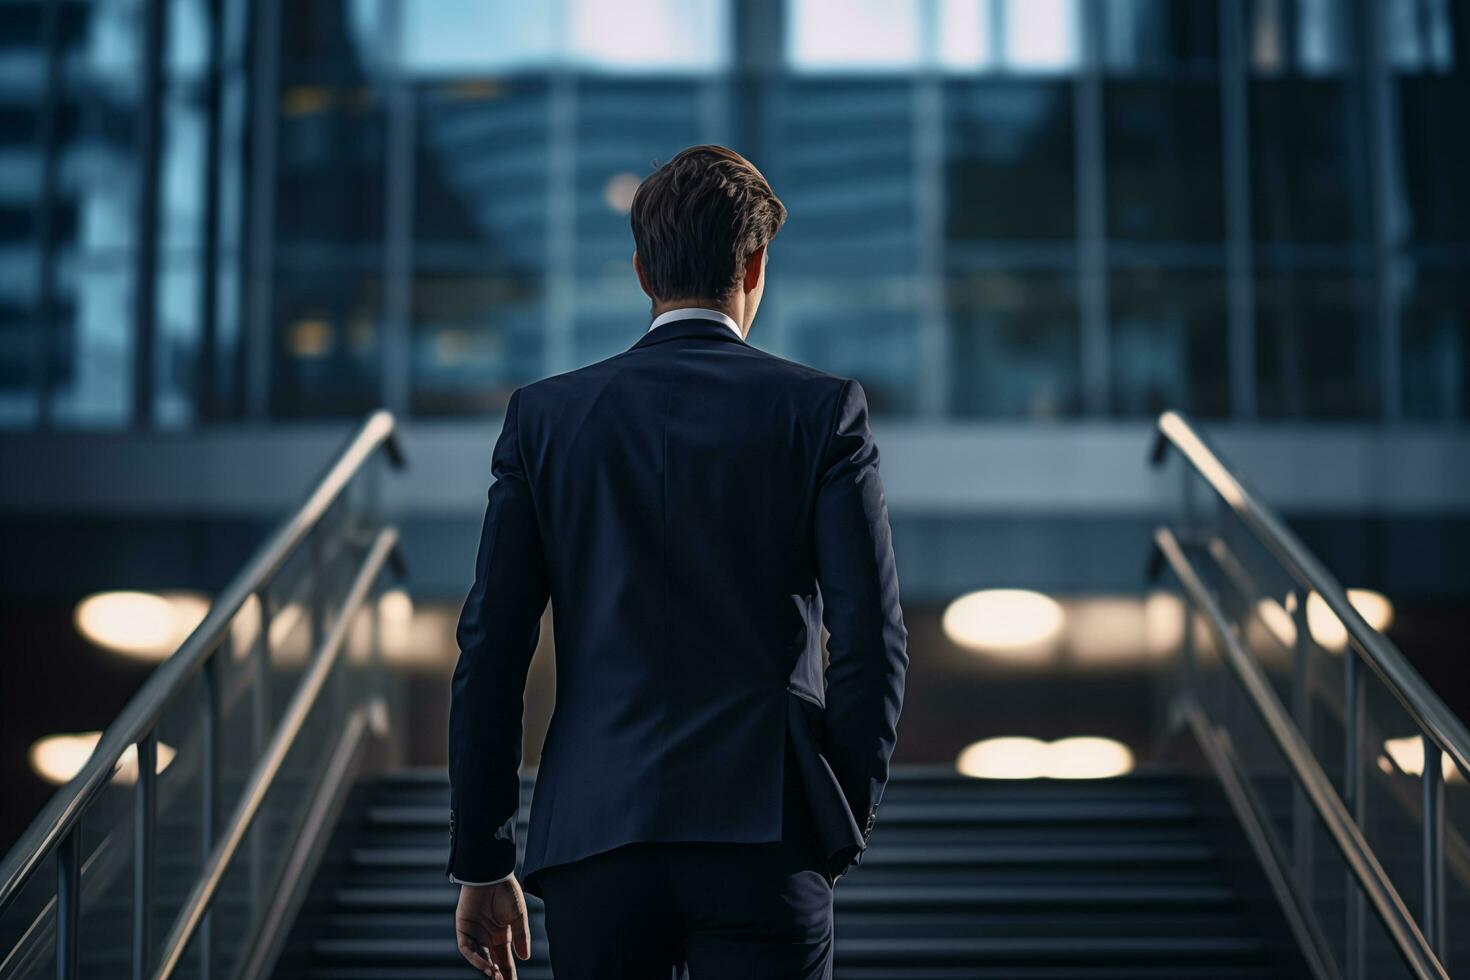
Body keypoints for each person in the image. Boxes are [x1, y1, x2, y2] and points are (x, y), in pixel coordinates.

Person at [446, 144, 908, 979]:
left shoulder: (544, 420)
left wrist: (484, 857)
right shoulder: (822, 411)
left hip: (595, 838)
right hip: (766, 834)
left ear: (640, 271)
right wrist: (834, 815)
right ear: (755, 263)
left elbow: (490, 651)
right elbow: (872, 641)